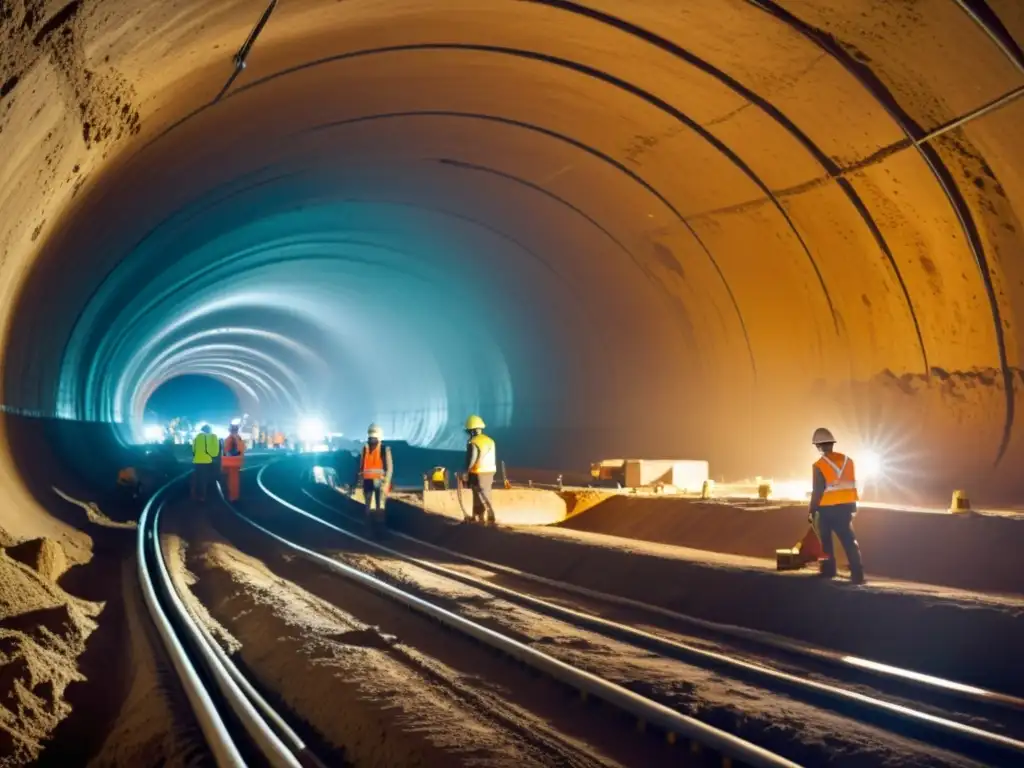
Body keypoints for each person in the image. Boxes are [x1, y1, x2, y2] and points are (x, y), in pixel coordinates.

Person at [808, 427, 865, 585]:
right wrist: (853, 506)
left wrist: (812, 510)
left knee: (826, 541)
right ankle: (857, 575)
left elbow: (818, 490)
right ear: (832, 443)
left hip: (827, 509)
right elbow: (851, 484)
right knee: (849, 541)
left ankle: (828, 571)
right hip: (846, 507)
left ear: (818, 446)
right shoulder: (848, 461)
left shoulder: (819, 465)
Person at [356, 423, 393, 531]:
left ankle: (369, 531)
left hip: (368, 482)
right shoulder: (384, 449)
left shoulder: (365, 448)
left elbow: (361, 467)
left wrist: (360, 481)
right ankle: (379, 531)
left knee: (369, 507)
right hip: (378, 482)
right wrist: (386, 483)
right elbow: (389, 468)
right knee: (379, 508)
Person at [464, 414, 496, 525]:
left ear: (472, 430)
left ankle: (486, 517)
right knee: (485, 493)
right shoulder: (490, 440)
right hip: (490, 471)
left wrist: (466, 471)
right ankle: (481, 516)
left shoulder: (474, 442)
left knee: (479, 495)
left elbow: (472, 459)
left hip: (478, 472)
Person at [191, 424, 221, 502]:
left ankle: (198, 495)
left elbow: (193, 450)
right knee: (208, 478)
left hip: (197, 461)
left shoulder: (197, 437)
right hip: (208, 461)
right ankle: (206, 496)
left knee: (199, 478)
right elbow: (215, 452)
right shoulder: (213, 437)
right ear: (209, 430)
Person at [221, 423, 246, 502]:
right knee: (235, 480)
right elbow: (242, 449)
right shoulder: (239, 438)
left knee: (231, 480)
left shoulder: (230, 439)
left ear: (230, 430)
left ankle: (232, 496)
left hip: (230, 462)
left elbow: (226, 450)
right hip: (237, 462)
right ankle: (234, 495)